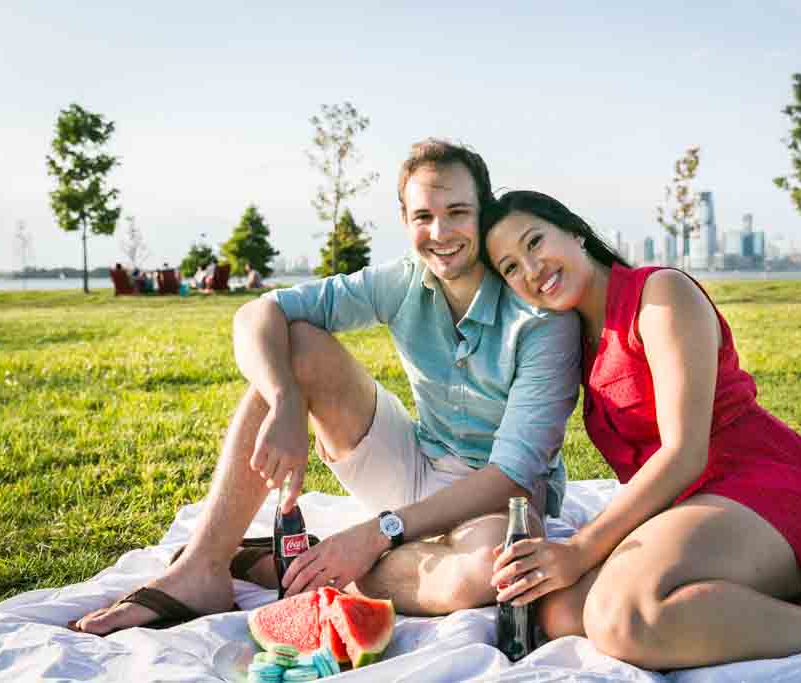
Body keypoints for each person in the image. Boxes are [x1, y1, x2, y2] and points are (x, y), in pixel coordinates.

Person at [70, 140, 580, 635]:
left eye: (458, 212)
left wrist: (377, 533)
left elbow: (512, 475)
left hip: (492, 499)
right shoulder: (401, 280)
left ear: (484, 214)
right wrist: (285, 400)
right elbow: (258, 313)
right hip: (416, 462)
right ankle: (203, 566)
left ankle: (293, 565)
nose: (440, 232)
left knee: (489, 571)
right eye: (423, 216)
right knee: (298, 347)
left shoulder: (541, 316)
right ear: (405, 222)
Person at [480, 191, 801, 670]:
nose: (531, 269)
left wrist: (583, 548)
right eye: (510, 268)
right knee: (561, 613)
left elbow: (684, 453)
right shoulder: (579, 341)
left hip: (765, 494)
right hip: (689, 513)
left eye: (534, 242)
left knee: (623, 620)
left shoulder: (659, 295)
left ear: (574, 232)